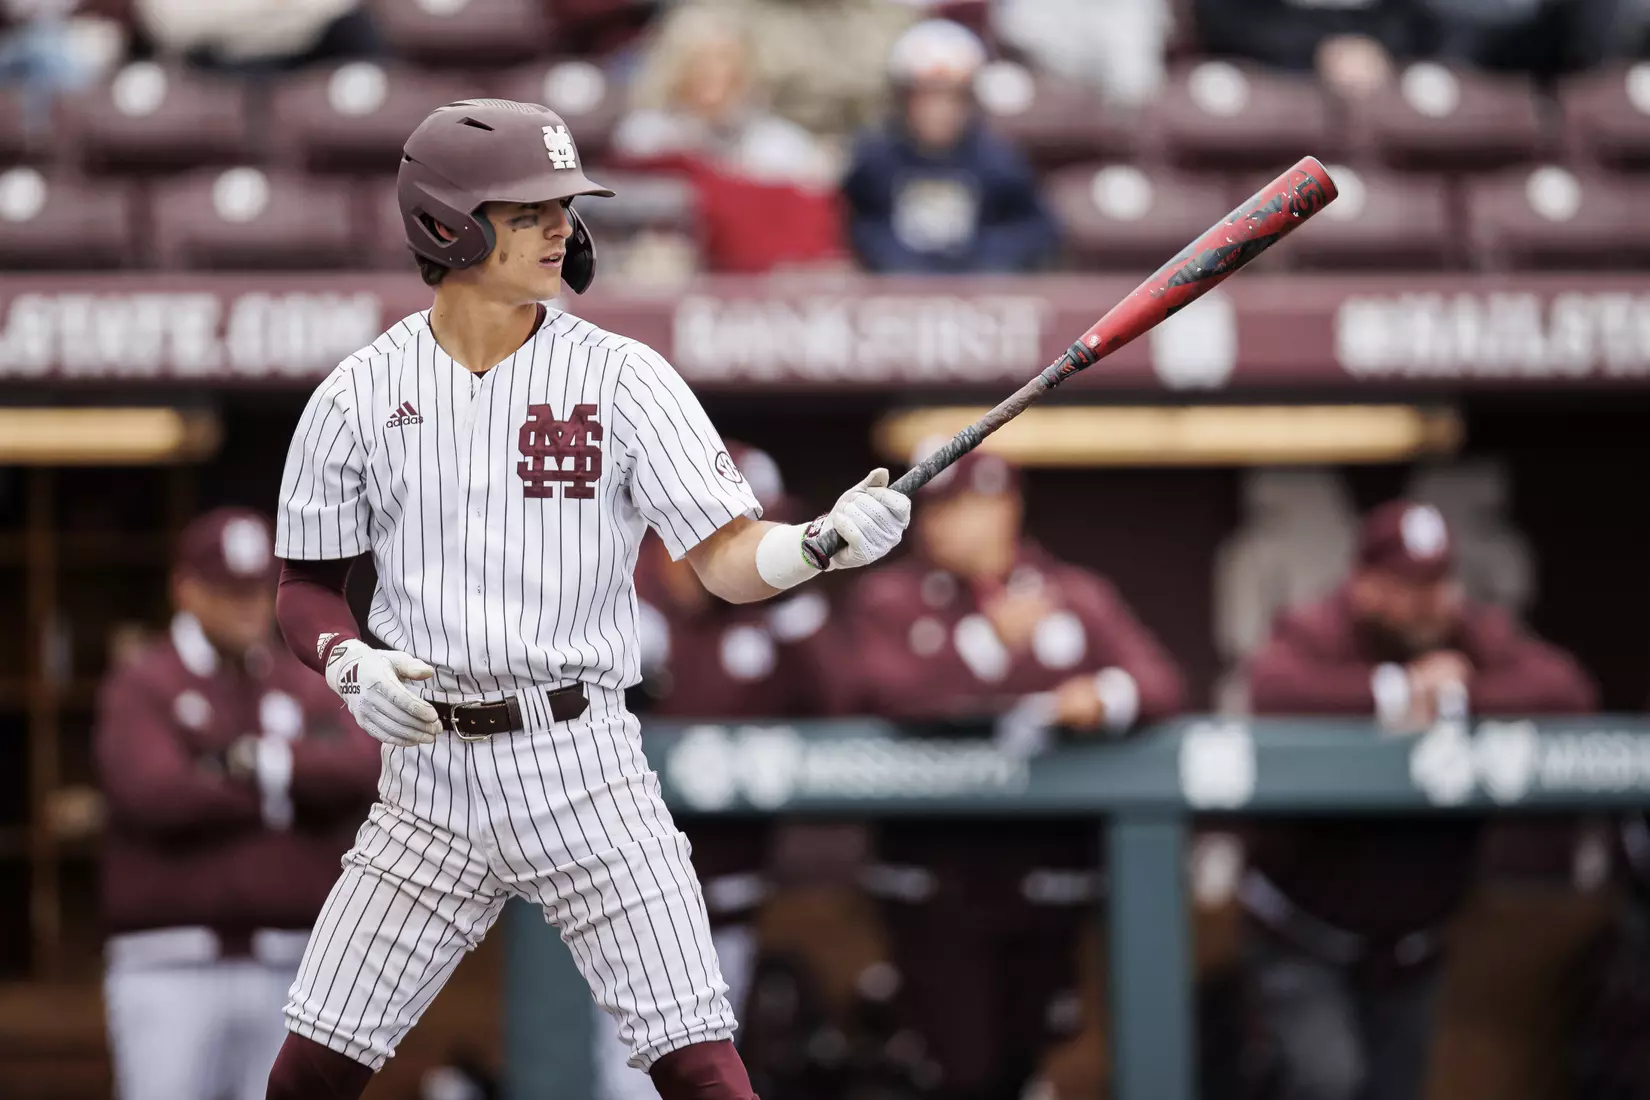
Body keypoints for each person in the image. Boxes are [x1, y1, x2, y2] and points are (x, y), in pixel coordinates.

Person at [265, 98, 912, 1100]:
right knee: (312, 1066)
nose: (560, 224)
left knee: (700, 1060)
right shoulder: (357, 391)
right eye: (528, 209)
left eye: (564, 204)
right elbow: (305, 586)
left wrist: (821, 543)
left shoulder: (621, 375)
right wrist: (345, 659)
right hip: (428, 774)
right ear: (449, 223)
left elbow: (728, 557)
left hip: (584, 760)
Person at [843, 448, 1184, 1100]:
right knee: (958, 1068)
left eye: (957, 507)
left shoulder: (1070, 594)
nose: (936, 525)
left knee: (1023, 1064)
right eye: (931, 509)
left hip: (1044, 873)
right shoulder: (894, 596)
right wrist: (987, 644)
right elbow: (890, 693)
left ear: (1005, 508)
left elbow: (1160, 684)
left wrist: (1102, 698)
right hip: (934, 874)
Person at [1240, 499, 1597, 1100]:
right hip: (1304, 934)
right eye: (1408, 584)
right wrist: (1399, 693)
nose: (1428, 601)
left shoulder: (1469, 636)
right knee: (1327, 1082)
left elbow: (1567, 691)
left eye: (1438, 582)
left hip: (1411, 945)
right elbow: (1272, 690)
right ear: (1365, 583)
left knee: (1394, 1089)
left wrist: (1458, 696)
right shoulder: (1321, 629)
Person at [95, 508, 380, 1100]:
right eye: (230, 592)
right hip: (170, 965)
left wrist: (253, 765)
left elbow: (365, 767)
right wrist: (291, 795)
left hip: (290, 967)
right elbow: (156, 795)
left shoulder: (301, 678)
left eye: (258, 590)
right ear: (186, 589)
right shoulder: (144, 681)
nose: (250, 607)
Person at [596, 441, 837, 1100]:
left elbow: (843, 702)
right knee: (619, 1082)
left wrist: (791, 593)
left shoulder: (771, 618)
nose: (727, 546)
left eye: (747, 532)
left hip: (725, 900)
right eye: (713, 525)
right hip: (614, 904)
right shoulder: (620, 593)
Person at [611, 6, 843, 273]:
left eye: (725, 60)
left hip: (758, 283)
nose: (714, 72)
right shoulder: (646, 136)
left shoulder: (780, 144)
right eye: (701, 61)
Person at [842, 19, 1059, 275]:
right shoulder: (874, 159)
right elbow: (857, 225)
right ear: (902, 98)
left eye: (952, 98)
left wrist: (982, 261)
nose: (939, 111)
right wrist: (897, 262)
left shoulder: (998, 161)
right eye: (926, 97)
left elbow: (1035, 230)